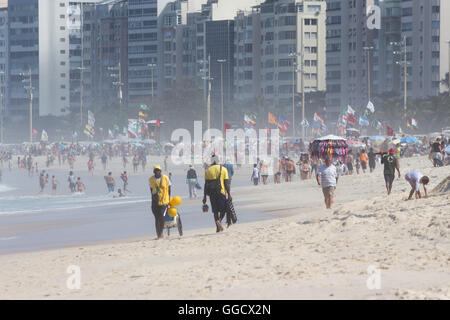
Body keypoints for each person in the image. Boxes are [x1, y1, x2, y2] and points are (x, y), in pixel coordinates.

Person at [203, 154, 232, 232]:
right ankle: (219, 221)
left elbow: (206, 184)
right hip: (221, 192)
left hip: (211, 193)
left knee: (215, 211)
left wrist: (204, 196)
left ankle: (217, 227)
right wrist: (229, 194)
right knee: (224, 209)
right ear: (218, 160)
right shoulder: (223, 169)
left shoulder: (207, 170)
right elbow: (226, 183)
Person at [149, 165, 171, 239]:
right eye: (156, 170)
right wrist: (153, 199)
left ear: (161, 171)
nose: (157, 172)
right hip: (155, 202)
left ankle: (160, 233)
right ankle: (158, 234)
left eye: (158, 170)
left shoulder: (165, 178)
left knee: (162, 217)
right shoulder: (151, 179)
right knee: (157, 218)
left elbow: (169, 188)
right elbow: (151, 190)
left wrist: (169, 199)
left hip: (164, 201)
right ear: (154, 171)